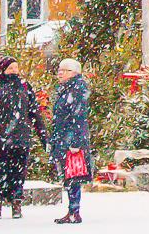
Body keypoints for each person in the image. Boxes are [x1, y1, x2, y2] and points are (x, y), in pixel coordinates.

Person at [0, 57, 48, 218]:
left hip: (20, 137)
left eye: (16, 68)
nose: (14, 71)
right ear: (2, 70)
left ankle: (16, 203)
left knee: (18, 172)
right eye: (10, 68)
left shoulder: (24, 86)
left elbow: (34, 112)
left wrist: (43, 135)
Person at [48, 58, 93, 225]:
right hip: (65, 138)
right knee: (70, 176)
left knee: (73, 175)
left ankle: (74, 211)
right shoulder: (68, 89)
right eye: (59, 69)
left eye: (64, 70)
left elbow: (78, 117)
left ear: (74, 73)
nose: (60, 73)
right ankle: (73, 210)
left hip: (72, 141)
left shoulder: (76, 89)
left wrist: (75, 142)